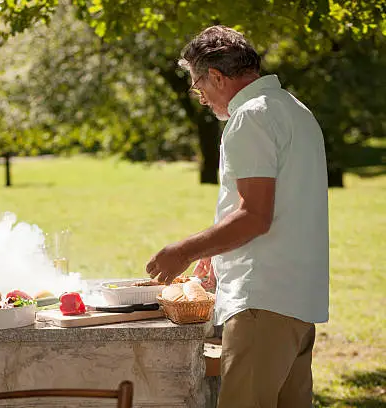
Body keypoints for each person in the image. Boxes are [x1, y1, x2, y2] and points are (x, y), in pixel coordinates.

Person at [145, 25, 329, 408]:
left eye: (199, 85)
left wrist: (185, 250)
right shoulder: (295, 109)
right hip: (296, 301)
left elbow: (255, 215)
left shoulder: (250, 117)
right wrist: (216, 251)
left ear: (216, 76)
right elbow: (281, 207)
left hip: (262, 303)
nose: (201, 97)